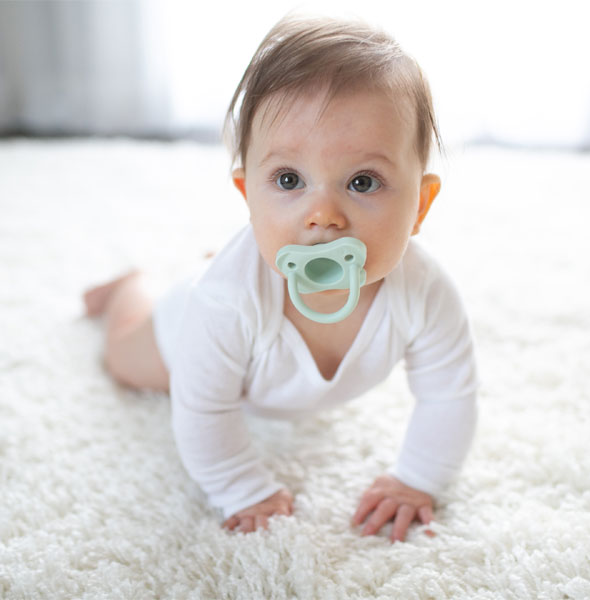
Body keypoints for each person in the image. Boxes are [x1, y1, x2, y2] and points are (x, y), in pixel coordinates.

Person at [83, 14, 478, 543]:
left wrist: (418, 479)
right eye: (289, 179)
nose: (323, 214)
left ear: (420, 205)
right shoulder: (226, 300)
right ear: (248, 197)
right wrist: (242, 487)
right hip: (181, 331)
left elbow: (450, 395)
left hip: (248, 339)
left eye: (363, 181)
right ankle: (129, 287)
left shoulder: (426, 292)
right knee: (124, 362)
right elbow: (203, 408)